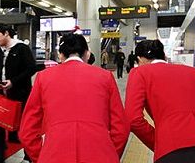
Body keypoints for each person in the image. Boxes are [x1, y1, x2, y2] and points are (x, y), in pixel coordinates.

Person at [19, 33, 129, 163]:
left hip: (55, 154)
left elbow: (27, 131)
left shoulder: (43, 77)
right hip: (100, 154)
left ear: (60, 55)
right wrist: (110, 154)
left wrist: (41, 156)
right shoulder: (105, 77)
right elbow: (121, 128)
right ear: (87, 54)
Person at [125, 39, 195, 163]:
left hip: (176, 152)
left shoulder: (140, 72)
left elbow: (133, 119)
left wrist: (161, 142)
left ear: (140, 59)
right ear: (164, 56)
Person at [0, 23, 37, 163]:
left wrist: (13, 81)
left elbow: (31, 68)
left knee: (25, 126)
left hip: (20, 94)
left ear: (6, 33)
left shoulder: (21, 49)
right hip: (0, 95)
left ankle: (29, 156)